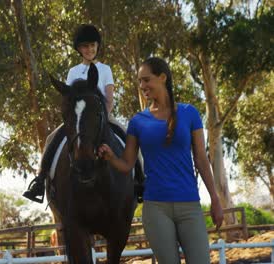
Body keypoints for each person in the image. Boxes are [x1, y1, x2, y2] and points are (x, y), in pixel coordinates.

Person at [98, 57, 224, 263]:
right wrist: (111, 156)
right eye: (139, 82)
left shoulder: (189, 113)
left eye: (146, 80)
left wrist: (215, 199)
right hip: (156, 208)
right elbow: (127, 164)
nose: (142, 86)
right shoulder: (138, 122)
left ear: (163, 77)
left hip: (190, 205)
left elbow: (201, 159)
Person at [23, 24, 126, 203]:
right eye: (85, 46)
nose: (90, 49)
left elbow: (109, 98)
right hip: (78, 119)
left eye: (93, 45)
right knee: (50, 140)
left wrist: (104, 118)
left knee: (126, 134)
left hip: (101, 116)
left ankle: (140, 178)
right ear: (79, 49)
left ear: (97, 46)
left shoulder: (105, 69)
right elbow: (69, 99)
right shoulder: (73, 71)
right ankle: (39, 181)